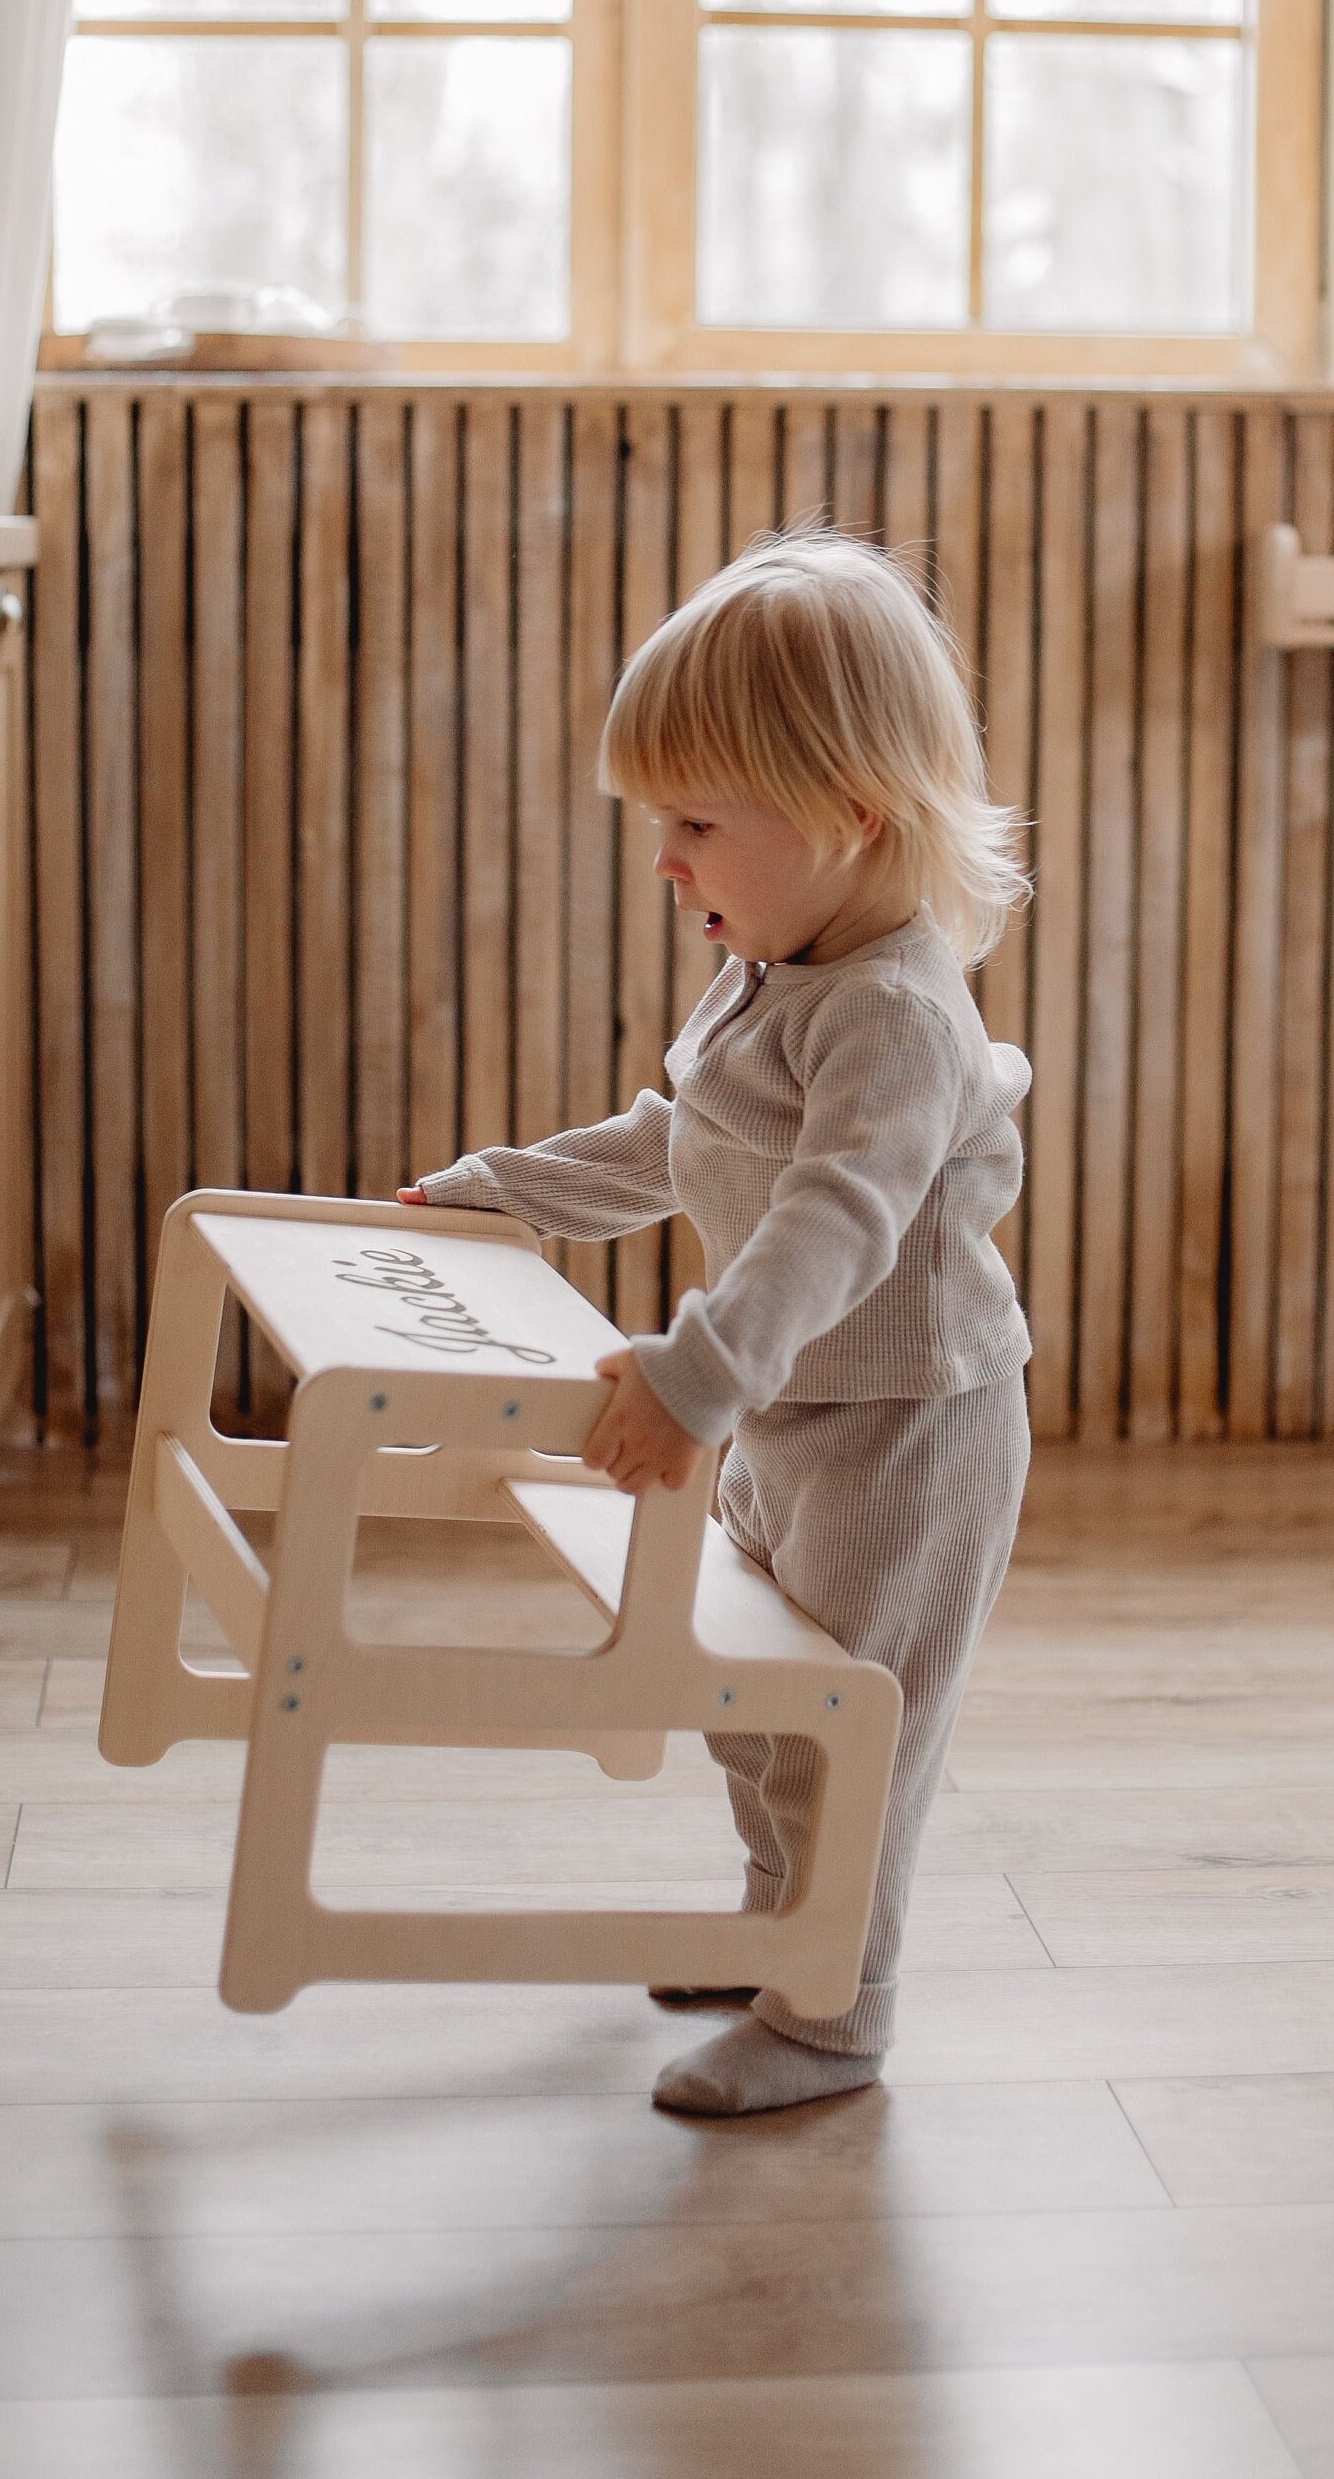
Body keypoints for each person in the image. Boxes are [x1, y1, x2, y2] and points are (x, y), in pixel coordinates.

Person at [399, 528, 1032, 2117]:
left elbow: (838, 1217)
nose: (665, 861)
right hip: (784, 1409)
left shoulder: (891, 1010)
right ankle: (775, 1928)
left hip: (906, 1429)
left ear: (845, 818)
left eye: (694, 823)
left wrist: (694, 1374)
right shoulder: (763, 967)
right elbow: (678, 1143)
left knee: (845, 1738)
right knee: (750, 1704)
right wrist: (506, 1189)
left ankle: (833, 2018)